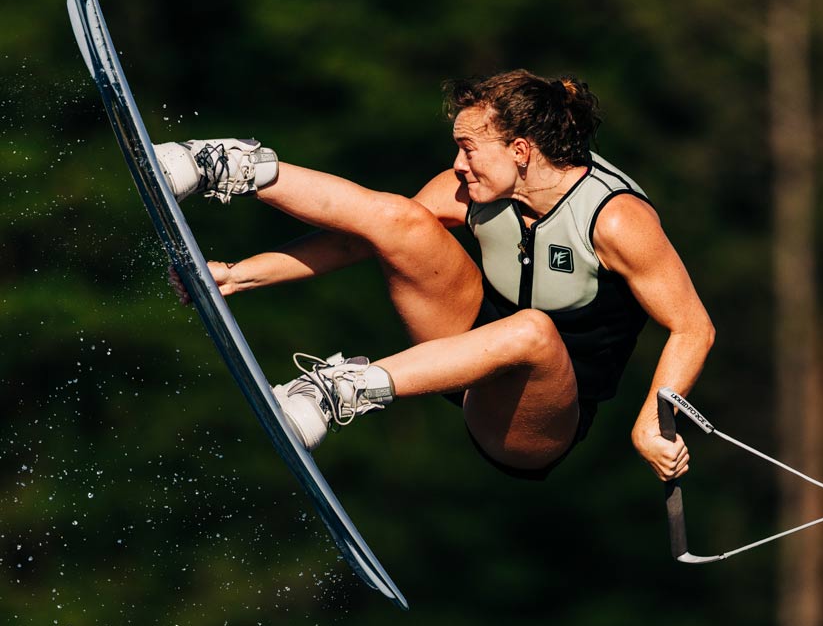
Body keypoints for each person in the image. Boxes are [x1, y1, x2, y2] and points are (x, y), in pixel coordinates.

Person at [155, 71, 714, 483]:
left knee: (533, 331)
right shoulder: (474, 190)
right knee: (399, 218)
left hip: (532, 421)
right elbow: (359, 237)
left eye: (469, 148)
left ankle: (339, 393)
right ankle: (223, 164)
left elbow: (693, 328)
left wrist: (652, 423)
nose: (458, 165)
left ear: (520, 151)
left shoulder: (615, 219)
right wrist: (239, 276)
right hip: (462, 350)